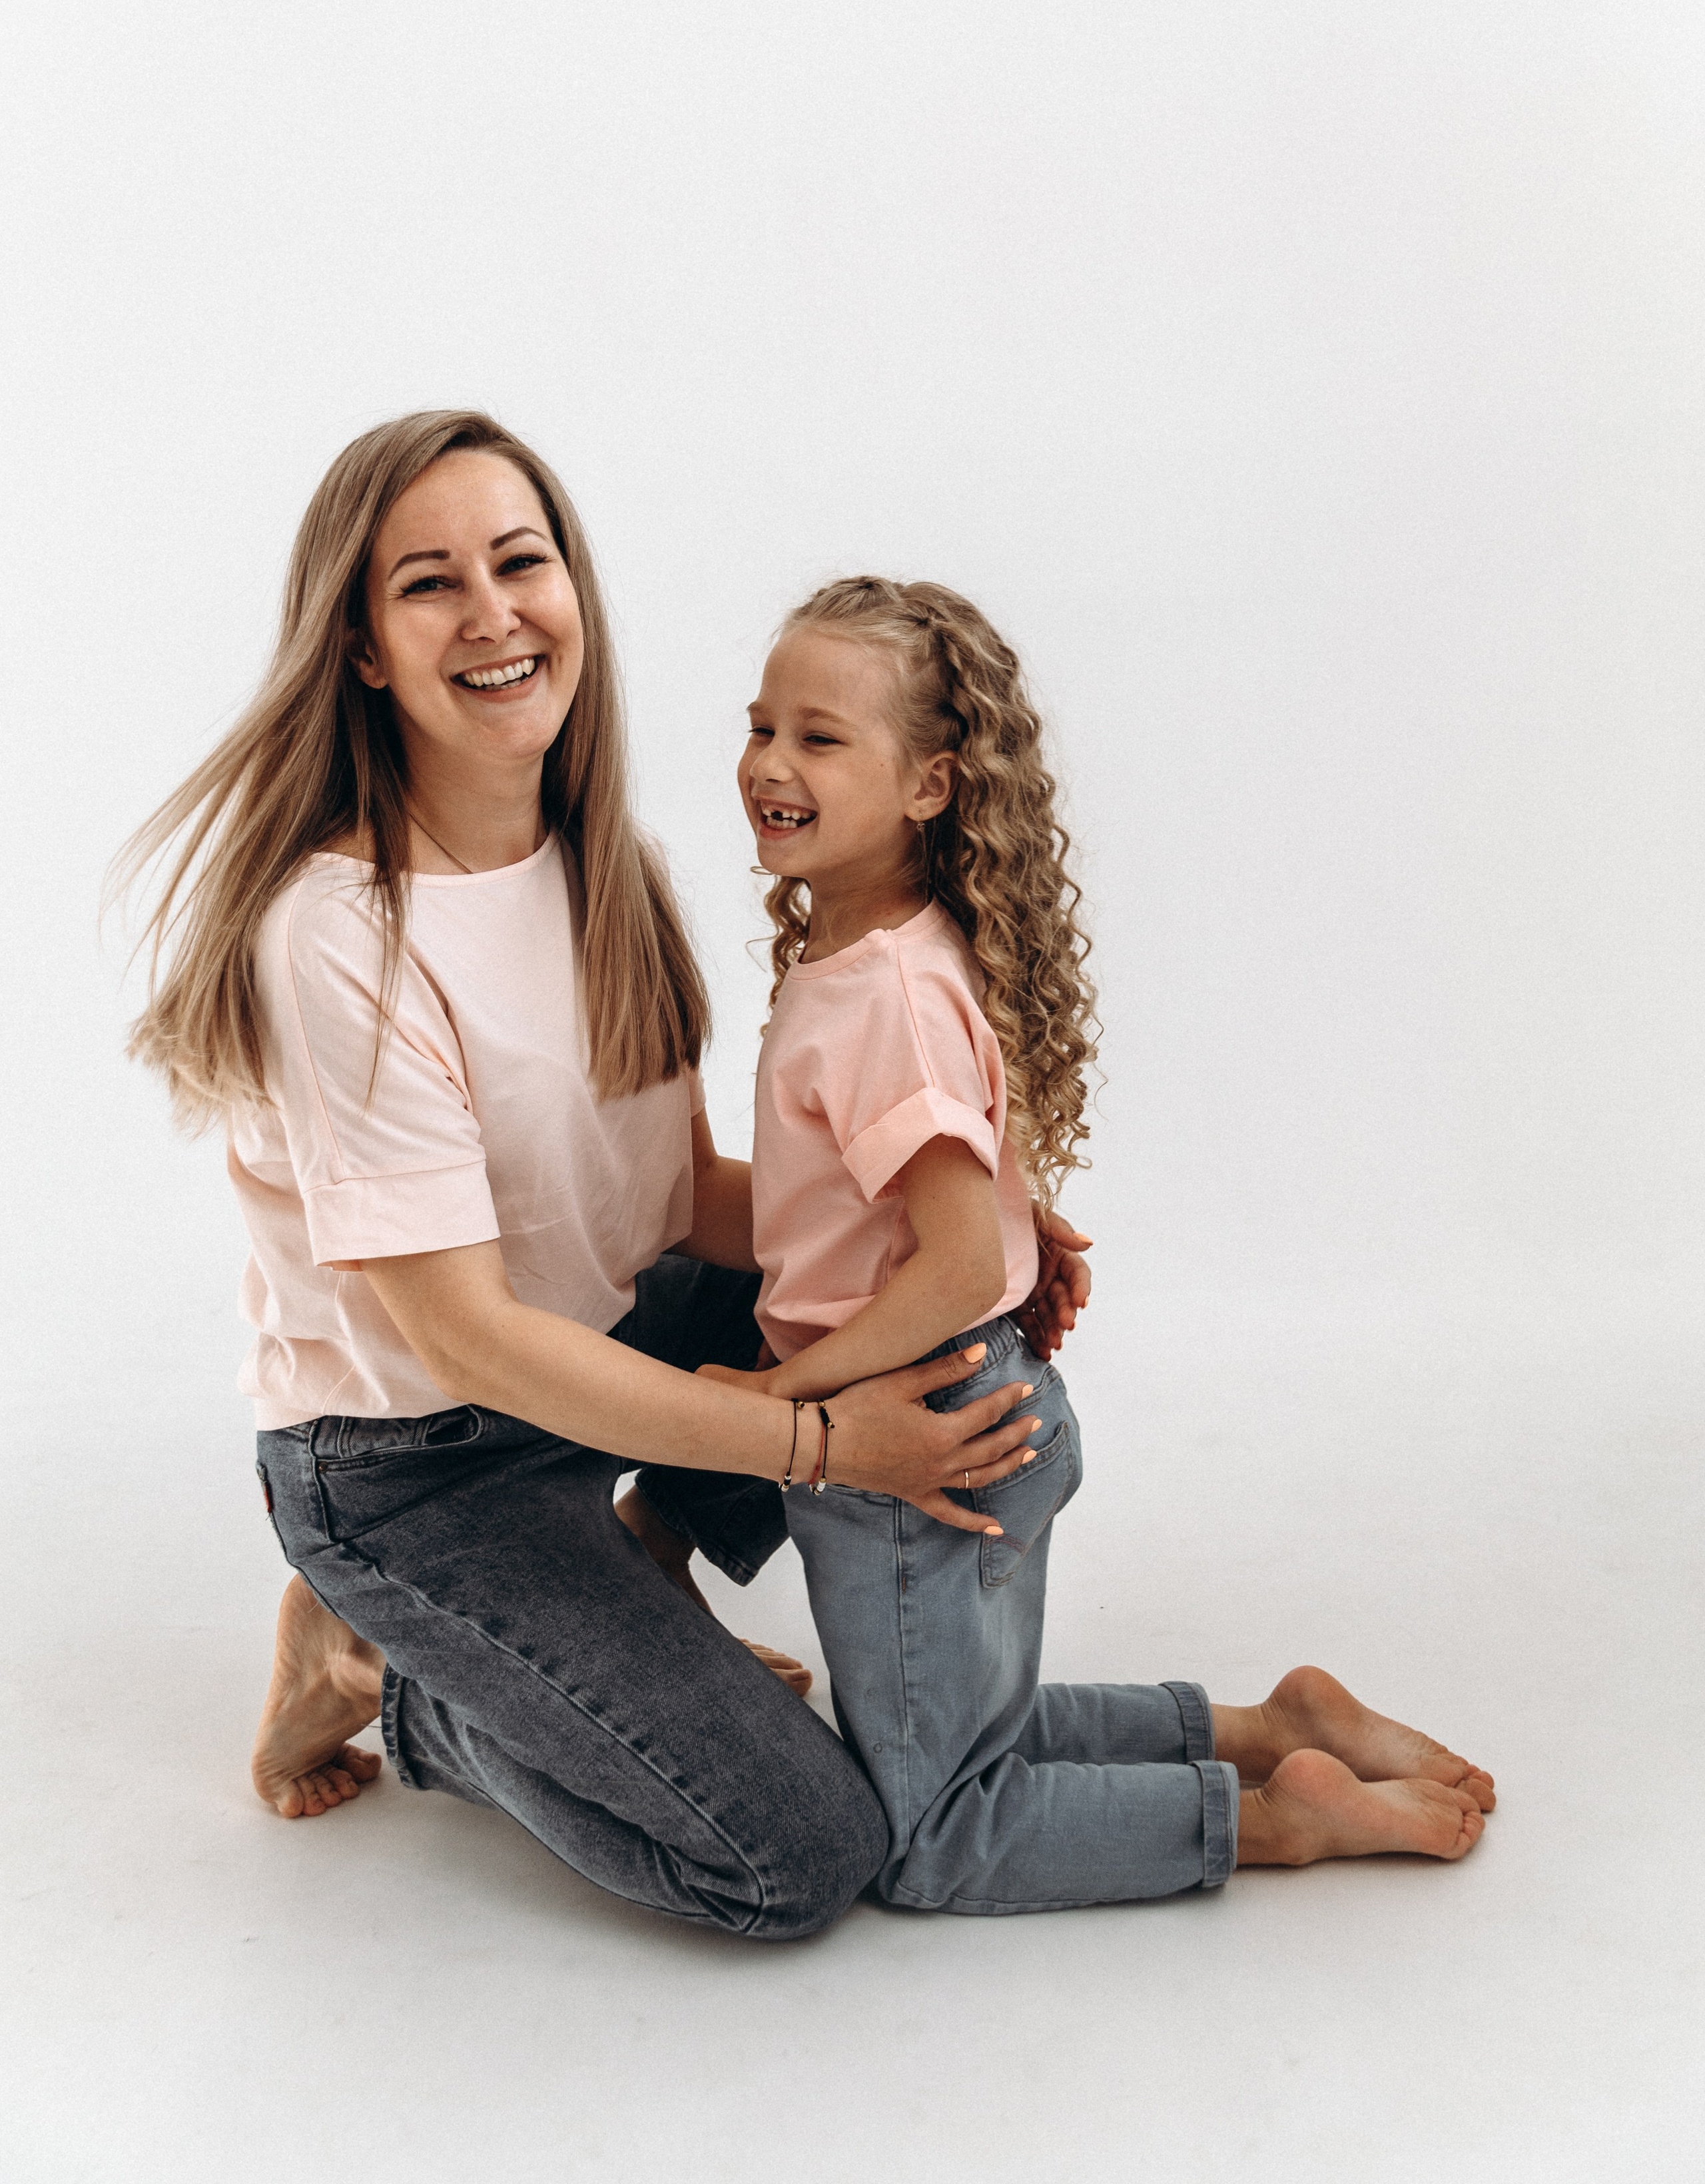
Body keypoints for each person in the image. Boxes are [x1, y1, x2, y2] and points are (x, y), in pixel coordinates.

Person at [119, 410, 1083, 1943]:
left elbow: (664, 1200)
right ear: (364, 648)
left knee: (919, 1308)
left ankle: (620, 1575)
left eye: (521, 561)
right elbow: (471, 1341)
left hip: (605, 1338)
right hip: (418, 1463)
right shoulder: (333, 939)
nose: (495, 612)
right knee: (795, 1854)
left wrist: (958, 1231)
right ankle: (398, 1683)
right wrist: (818, 1442)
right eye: (430, 584)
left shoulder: (593, 858)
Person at [695, 576, 1495, 1905]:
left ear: (930, 786)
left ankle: (1278, 1824)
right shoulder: (879, 955)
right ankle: (1263, 1733)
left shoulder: (880, 991)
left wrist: (779, 1395)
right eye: (760, 724)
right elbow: (911, 1210)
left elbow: (952, 1260)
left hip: (915, 1435)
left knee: (932, 1832)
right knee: (965, 1748)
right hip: (970, 1397)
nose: (770, 763)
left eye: (820, 737)